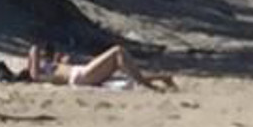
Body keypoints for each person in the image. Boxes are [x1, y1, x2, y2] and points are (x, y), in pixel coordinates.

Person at [26, 43, 176, 91]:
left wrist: (60, 60)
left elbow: (62, 63)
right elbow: (33, 75)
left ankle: (162, 78)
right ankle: (147, 85)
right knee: (117, 51)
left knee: (122, 67)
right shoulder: (42, 72)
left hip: (81, 74)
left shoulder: (53, 66)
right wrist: (33, 51)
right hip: (80, 76)